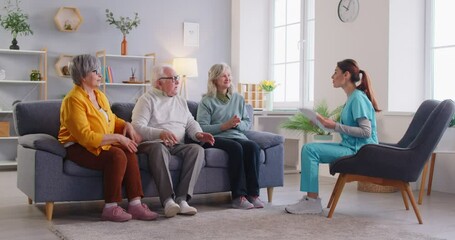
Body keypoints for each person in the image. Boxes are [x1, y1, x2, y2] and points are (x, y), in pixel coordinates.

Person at [58, 54, 157, 222]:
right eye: (95, 71)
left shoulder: (99, 95)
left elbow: (109, 119)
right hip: (77, 146)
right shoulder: (73, 100)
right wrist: (118, 138)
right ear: (83, 76)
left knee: (128, 149)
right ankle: (110, 207)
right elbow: (86, 137)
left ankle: (135, 204)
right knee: (117, 155)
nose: (100, 75)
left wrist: (125, 125)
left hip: (98, 143)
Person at [285, 59, 381, 215]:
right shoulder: (352, 98)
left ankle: (312, 201)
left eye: (335, 72)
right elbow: (349, 129)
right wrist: (323, 124)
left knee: (310, 150)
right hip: (351, 148)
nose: (332, 76)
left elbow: (365, 132)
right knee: (309, 149)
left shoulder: (358, 98)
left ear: (346, 74)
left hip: (361, 152)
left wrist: (334, 126)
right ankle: (311, 200)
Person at [131, 65, 215, 218]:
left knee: (197, 149)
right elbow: (136, 127)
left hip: (176, 144)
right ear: (159, 83)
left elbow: (190, 122)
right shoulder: (146, 100)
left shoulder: (181, 101)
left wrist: (198, 134)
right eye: (173, 79)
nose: (178, 82)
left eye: (178, 78)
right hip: (153, 144)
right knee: (159, 148)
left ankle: (182, 200)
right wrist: (160, 133)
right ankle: (168, 200)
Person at [196, 63, 264, 210]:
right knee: (235, 148)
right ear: (214, 79)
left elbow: (247, 121)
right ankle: (238, 197)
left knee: (253, 146)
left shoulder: (238, 99)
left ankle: (253, 194)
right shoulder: (207, 101)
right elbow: (201, 128)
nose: (227, 78)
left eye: (229, 75)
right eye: (223, 75)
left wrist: (237, 125)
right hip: (214, 138)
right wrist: (224, 126)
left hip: (236, 135)